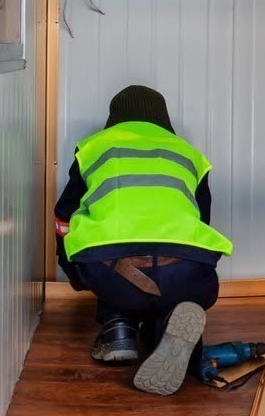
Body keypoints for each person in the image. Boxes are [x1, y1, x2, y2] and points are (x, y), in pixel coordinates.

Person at [54, 85, 233, 395]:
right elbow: (201, 220)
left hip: (112, 274)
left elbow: (64, 217)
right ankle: (168, 330)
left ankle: (117, 328)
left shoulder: (94, 147)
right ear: (163, 119)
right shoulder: (188, 153)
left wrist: (73, 271)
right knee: (176, 286)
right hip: (185, 274)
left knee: (107, 245)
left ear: (115, 119)